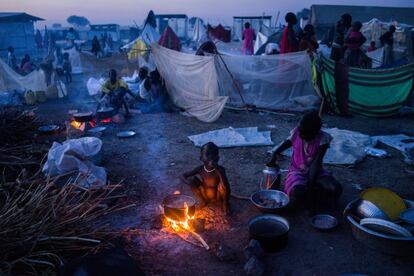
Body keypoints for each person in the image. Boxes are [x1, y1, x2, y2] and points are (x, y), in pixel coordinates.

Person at [268, 111, 342, 209]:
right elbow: (286, 143)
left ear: (316, 133)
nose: (301, 135)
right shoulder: (297, 132)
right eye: (300, 131)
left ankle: (317, 196)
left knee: (335, 188)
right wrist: (274, 153)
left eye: (304, 134)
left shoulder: (323, 139)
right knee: (299, 192)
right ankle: (311, 196)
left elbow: (316, 164)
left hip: (316, 172)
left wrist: (310, 187)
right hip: (297, 171)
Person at [180, 142, 230, 214]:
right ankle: (204, 201)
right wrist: (189, 183)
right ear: (201, 158)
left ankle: (225, 204)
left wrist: (216, 168)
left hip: (218, 196)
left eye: (214, 154)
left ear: (218, 158)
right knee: (192, 180)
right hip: (205, 195)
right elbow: (182, 176)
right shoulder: (200, 169)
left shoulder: (220, 169)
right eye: (207, 154)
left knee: (223, 185)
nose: (211, 157)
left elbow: (225, 184)